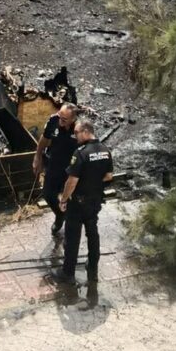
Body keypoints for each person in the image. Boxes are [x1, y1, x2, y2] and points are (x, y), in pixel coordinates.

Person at [51, 120, 114, 284]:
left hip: (78, 202)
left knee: (72, 236)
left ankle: (68, 273)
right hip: (95, 200)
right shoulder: (105, 150)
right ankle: (93, 269)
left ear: (86, 131)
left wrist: (63, 199)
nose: (75, 136)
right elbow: (109, 176)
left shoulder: (81, 153)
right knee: (93, 234)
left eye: (77, 132)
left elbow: (71, 181)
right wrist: (94, 182)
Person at [33, 103, 80, 236]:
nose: (60, 121)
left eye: (64, 119)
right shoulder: (53, 120)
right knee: (48, 194)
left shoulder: (80, 129)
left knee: (71, 199)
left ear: (73, 119)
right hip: (54, 164)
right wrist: (37, 157)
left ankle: (72, 225)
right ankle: (60, 216)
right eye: (60, 116)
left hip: (71, 169)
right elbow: (44, 138)